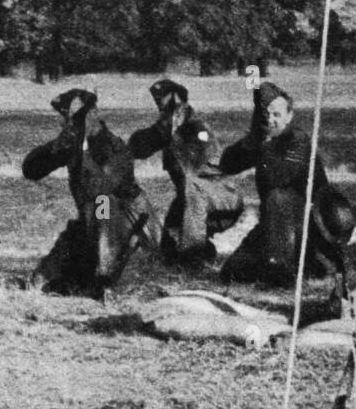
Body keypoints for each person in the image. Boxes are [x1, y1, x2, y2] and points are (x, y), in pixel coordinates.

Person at [23, 88, 158, 296]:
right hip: (90, 227)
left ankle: (103, 275)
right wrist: (54, 149)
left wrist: (82, 148)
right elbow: (31, 170)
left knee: (102, 202)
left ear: (93, 114)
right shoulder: (73, 143)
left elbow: (99, 188)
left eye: (76, 119)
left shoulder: (114, 146)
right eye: (67, 120)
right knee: (40, 283)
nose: (70, 125)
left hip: (127, 228)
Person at [219, 81, 356, 286]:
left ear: (290, 116)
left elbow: (276, 178)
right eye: (266, 116)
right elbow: (227, 164)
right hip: (275, 225)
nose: (271, 121)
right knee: (233, 271)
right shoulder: (265, 140)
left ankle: (291, 265)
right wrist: (251, 140)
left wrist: (262, 142)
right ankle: (292, 265)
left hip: (310, 226)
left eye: (277, 115)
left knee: (278, 197)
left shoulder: (298, 141)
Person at [128, 76, 243, 262]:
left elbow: (198, 170)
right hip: (189, 200)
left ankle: (194, 252)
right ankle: (201, 250)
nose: (164, 114)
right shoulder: (167, 130)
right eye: (163, 110)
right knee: (168, 252)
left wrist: (173, 132)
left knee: (188, 255)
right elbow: (138, 147)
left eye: (170, 110)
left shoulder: (199, 130)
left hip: (221, 200)